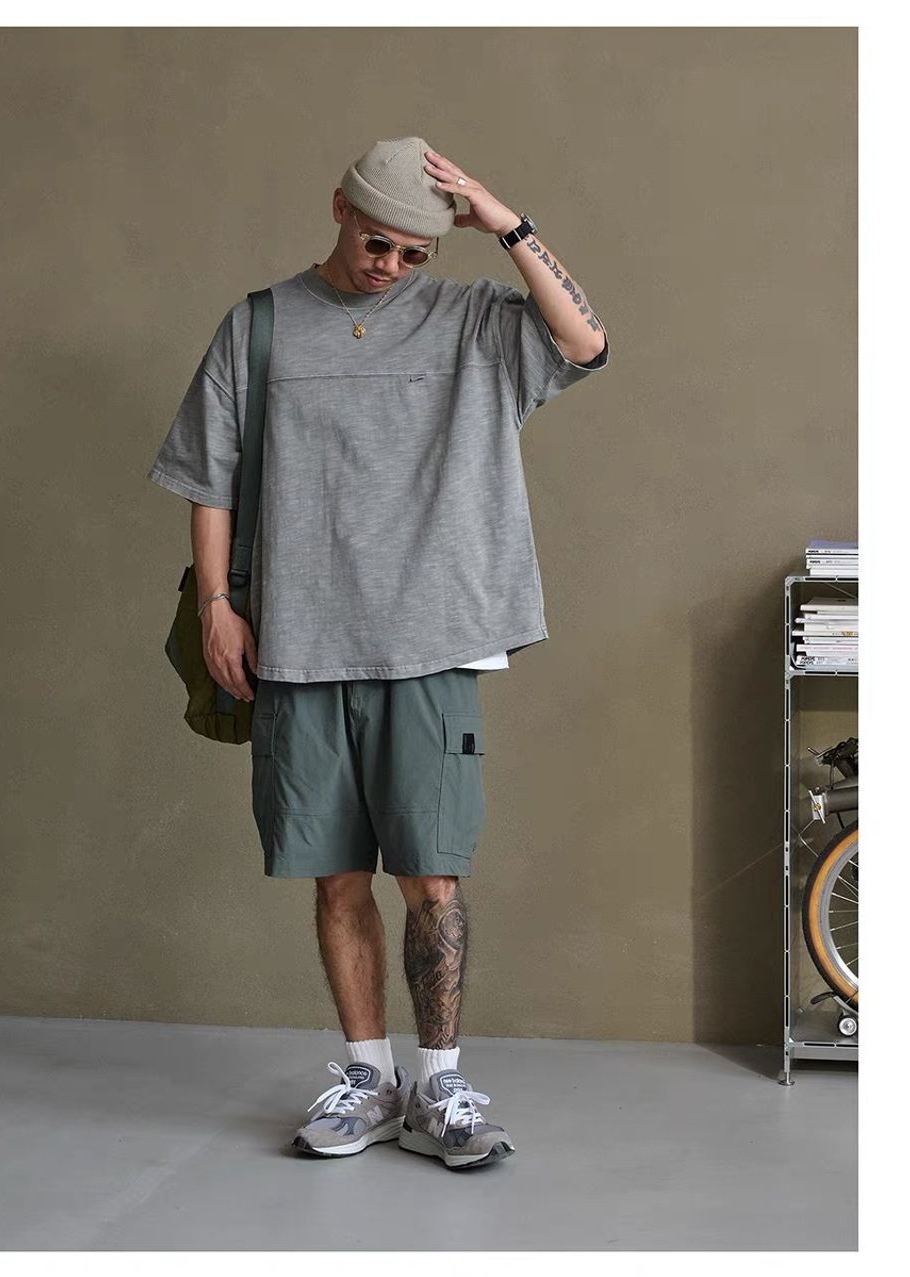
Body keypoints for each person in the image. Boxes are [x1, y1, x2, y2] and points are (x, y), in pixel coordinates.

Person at [147, 136, 609, 1171]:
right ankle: (368, 1077)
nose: (390, 266)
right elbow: (210, 477)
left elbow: (583, 341)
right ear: (339, 210)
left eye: (413, 253)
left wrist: (507, 223)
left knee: (432, 877)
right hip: (298, 641)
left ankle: (439, 1084)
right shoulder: (258, 325)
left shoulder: (472, 321)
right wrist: (217, 606)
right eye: (377, 244)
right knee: (334, 877)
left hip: (432, 641)